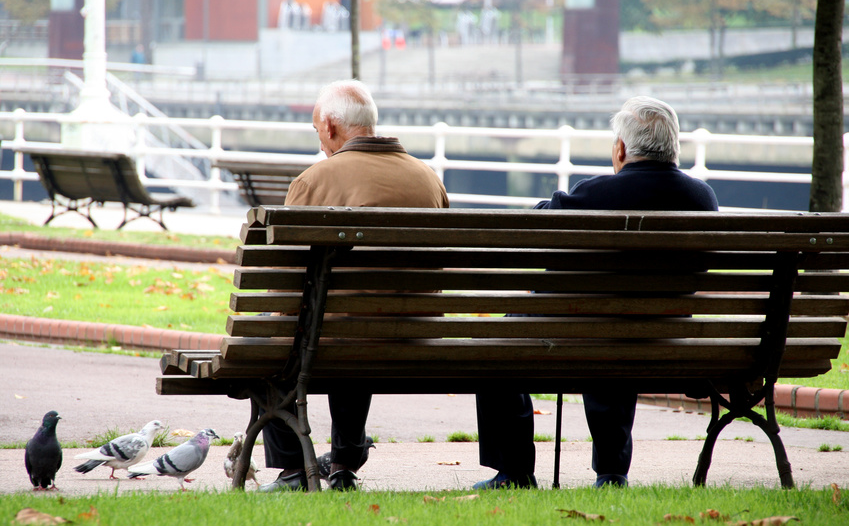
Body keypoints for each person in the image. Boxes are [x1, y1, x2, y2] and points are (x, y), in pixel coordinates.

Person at [474, 96, 719, 490]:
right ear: (674, 148)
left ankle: (515, 470)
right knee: (615, 328)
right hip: (665, 334)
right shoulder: (702, 199)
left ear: (620, 149)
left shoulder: (595, 195)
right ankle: (611, 472)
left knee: (493, 343)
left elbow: (532, 226)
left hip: (584, 331)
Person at [258, 79, 450, 492]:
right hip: (415, 337)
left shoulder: (314, 181)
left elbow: (286, 285)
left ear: (329, 125)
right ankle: (344, 463)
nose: (320, 141)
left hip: (335, 342)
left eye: (317, 131)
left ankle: (293, 470)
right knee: (355, 317)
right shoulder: (429, 180)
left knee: (279, 330)